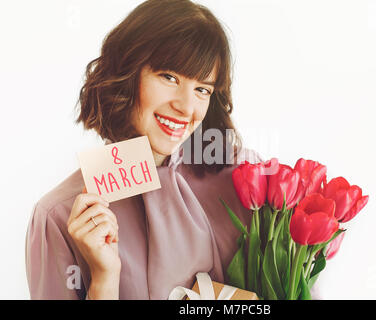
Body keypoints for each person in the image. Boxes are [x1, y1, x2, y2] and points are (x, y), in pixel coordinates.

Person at [25, 0, 320, 300]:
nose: (185, 107)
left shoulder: (251, 183)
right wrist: (104, 280)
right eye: (169, 77)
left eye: (202, 89)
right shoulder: (59, 216)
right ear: (127, 72)